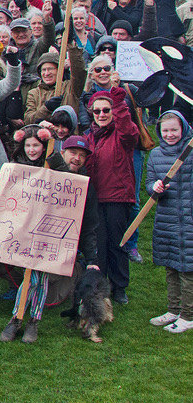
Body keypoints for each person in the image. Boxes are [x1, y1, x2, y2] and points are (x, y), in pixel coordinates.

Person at [0, 126, 66, 344]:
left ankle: (32, 320)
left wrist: (54, 158)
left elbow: (67, 183)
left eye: (36, 145)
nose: (31, 149)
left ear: (44, 145)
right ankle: (17, 318)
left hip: (47, 228)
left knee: (40, 276)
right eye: (28, 145)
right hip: (24, 227)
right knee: (28, 275)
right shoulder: (17, 165)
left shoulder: (54, 163)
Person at [85, 87, 137, 305]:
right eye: (97, 111)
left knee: (118, 244)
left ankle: (120, 287)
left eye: (107, 110)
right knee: (100, 245)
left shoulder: (122, 134)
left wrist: (119, 103)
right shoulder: (89, 137)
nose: (102, 114)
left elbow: (129, 131)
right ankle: (101, 286)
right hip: (96, 199)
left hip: (117, 198)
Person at [145, 111, 193, 333]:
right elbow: (148, 184)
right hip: (166, 218)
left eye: (174, 130)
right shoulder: (155, 155)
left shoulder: (191, 151)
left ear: (183, 128)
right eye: (165, 130)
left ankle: (188, 315)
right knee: (170, 265)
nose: (170, 134)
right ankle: (173, 309)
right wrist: (154, 188)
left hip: (188, 218)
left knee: (187, 268)